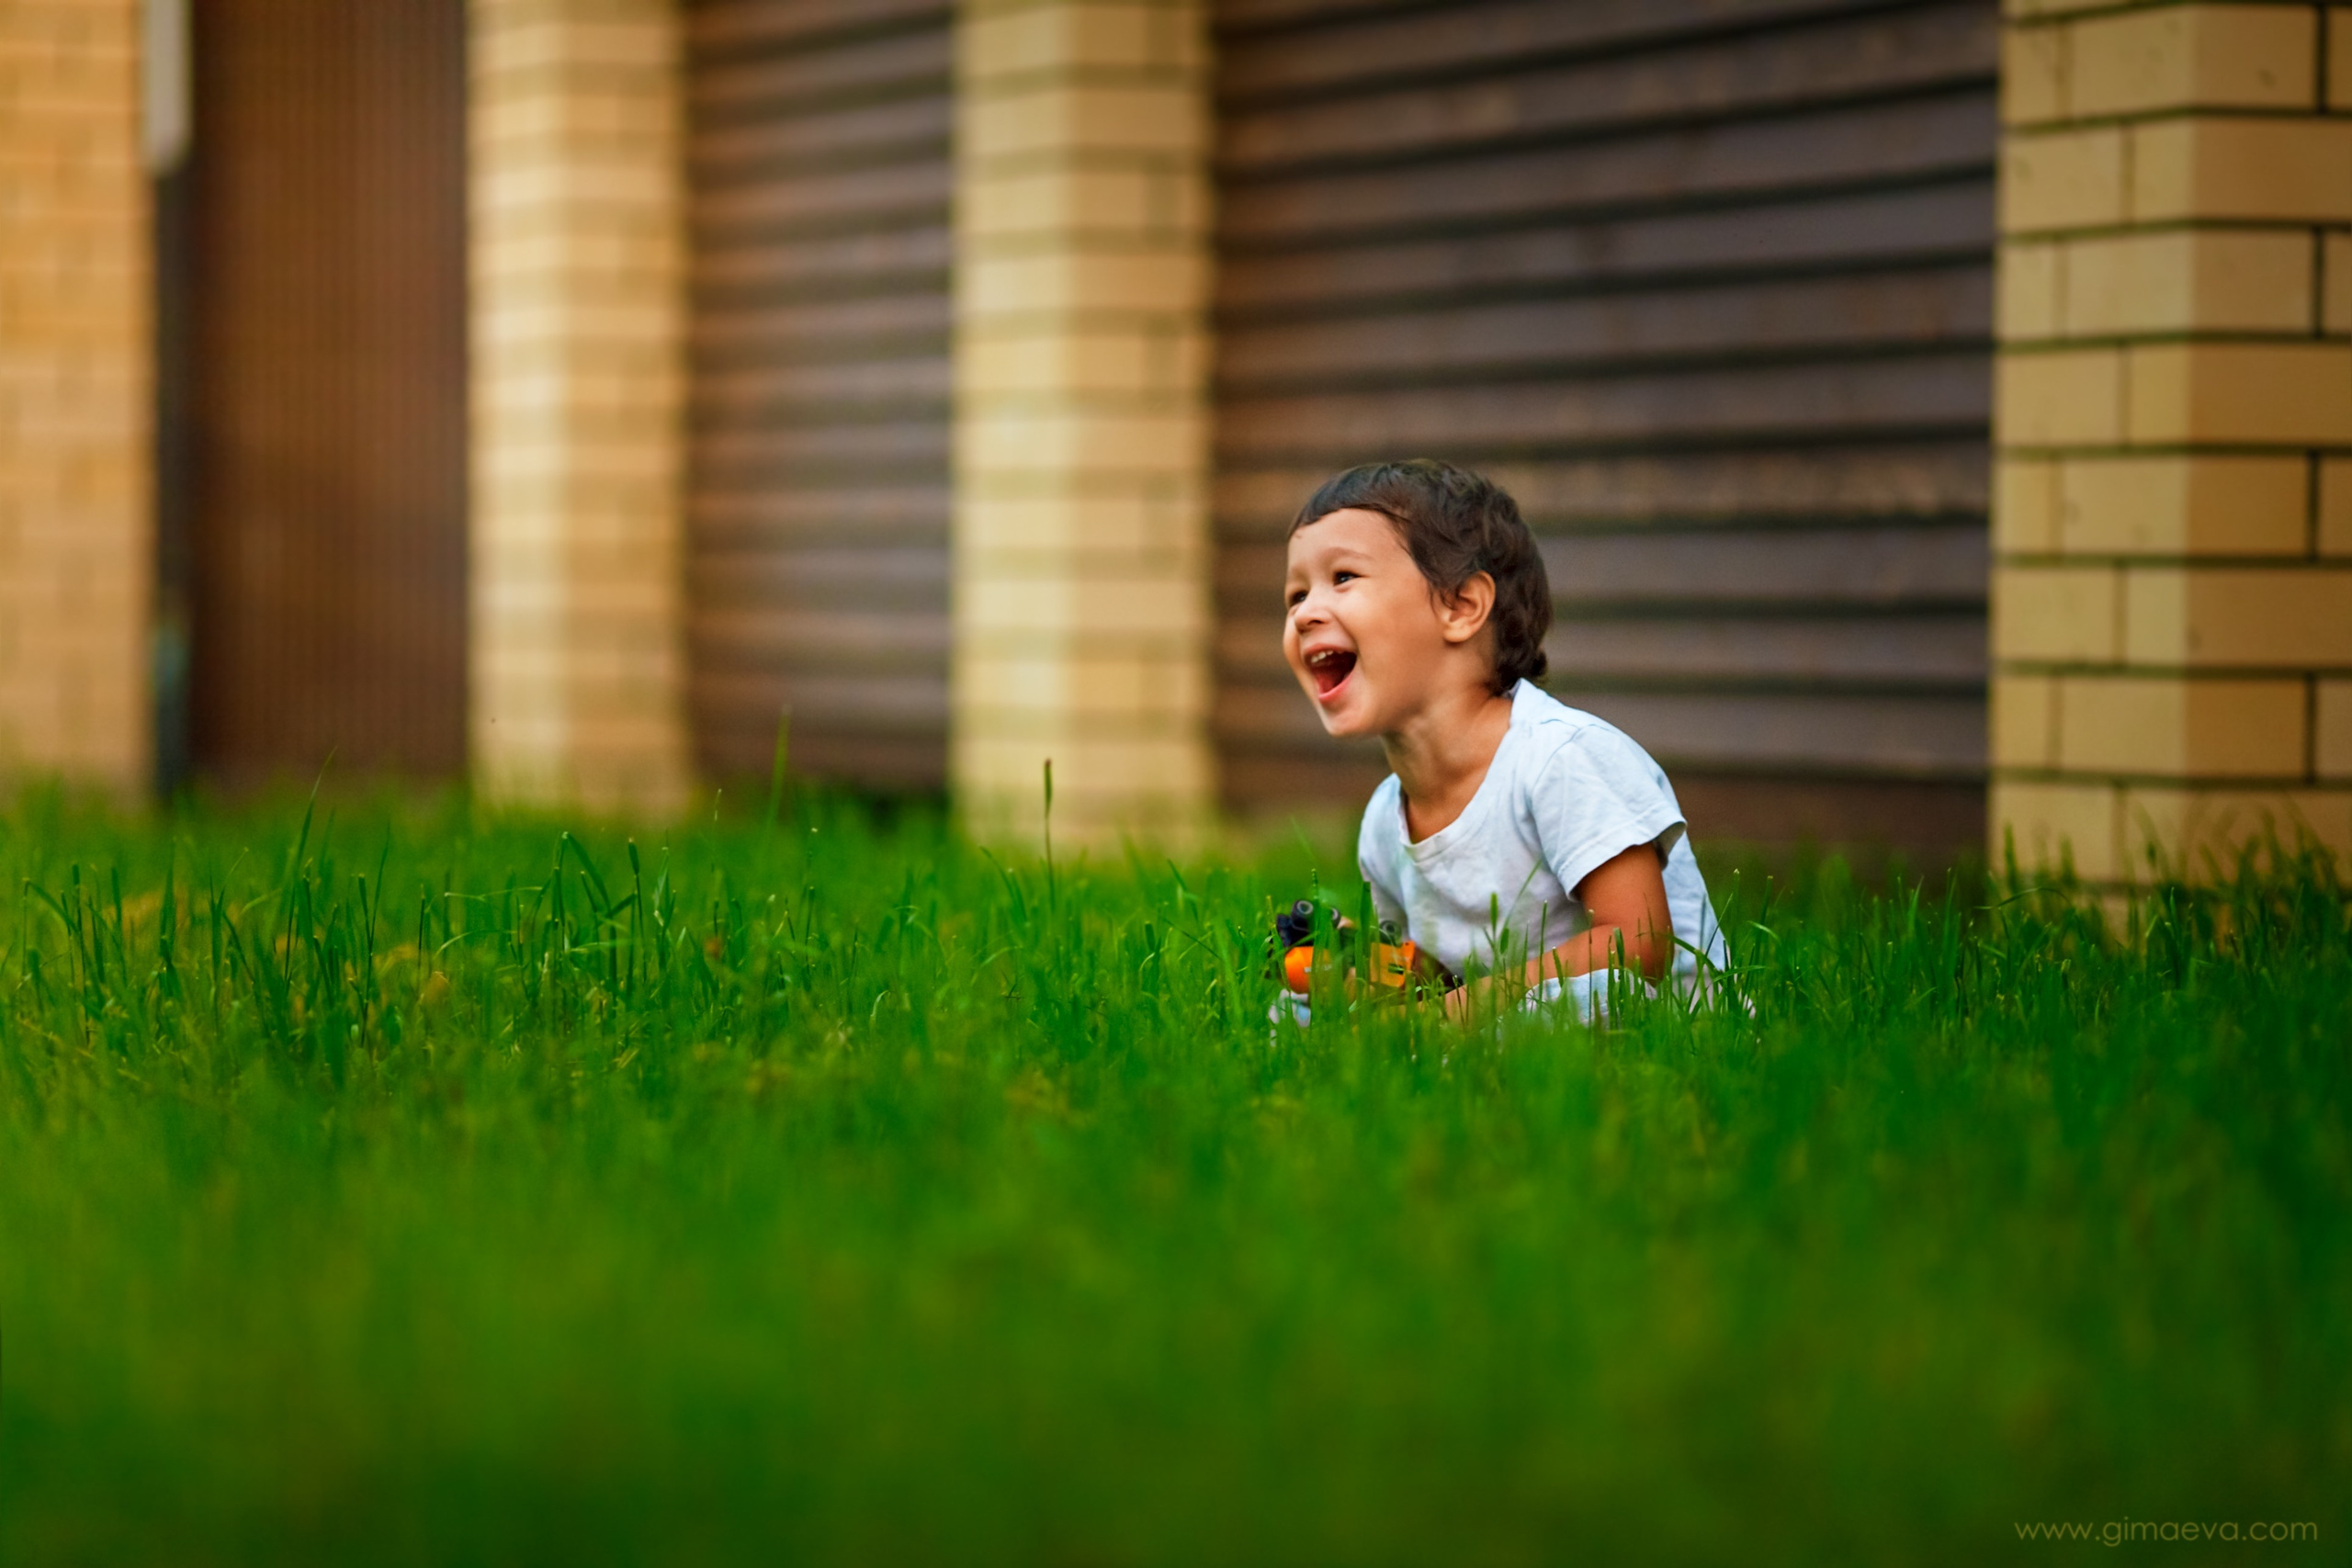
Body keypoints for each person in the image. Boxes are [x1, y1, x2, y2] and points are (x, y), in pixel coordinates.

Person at [1278, 459, 1724, 1026]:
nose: (1305, 614)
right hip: (1493, 1021)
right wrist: (1368, 962)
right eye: (1296, 595)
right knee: (1296, 1011)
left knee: (1568, 1003)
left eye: (1343, 578)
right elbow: (1444, 977)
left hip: (1647, 1023)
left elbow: (1637, 947)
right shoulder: (1385, 819)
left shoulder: (1563, 759)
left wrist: (1451, 1016)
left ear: (1461, 607)